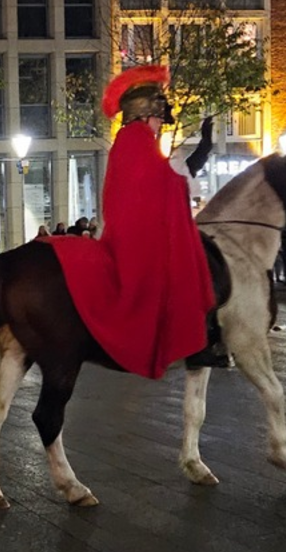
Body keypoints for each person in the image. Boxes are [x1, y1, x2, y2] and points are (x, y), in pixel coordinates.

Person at [44, 64, 222, 376]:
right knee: (188, 263)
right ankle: (199, 342)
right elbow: (163, 182)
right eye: (158, 117)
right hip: (136, 239)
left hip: (128, 230)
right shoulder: (138, 139)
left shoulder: (129, 140)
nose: (159, 124)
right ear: (145, 114)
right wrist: (195, 163)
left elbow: (151, 185)